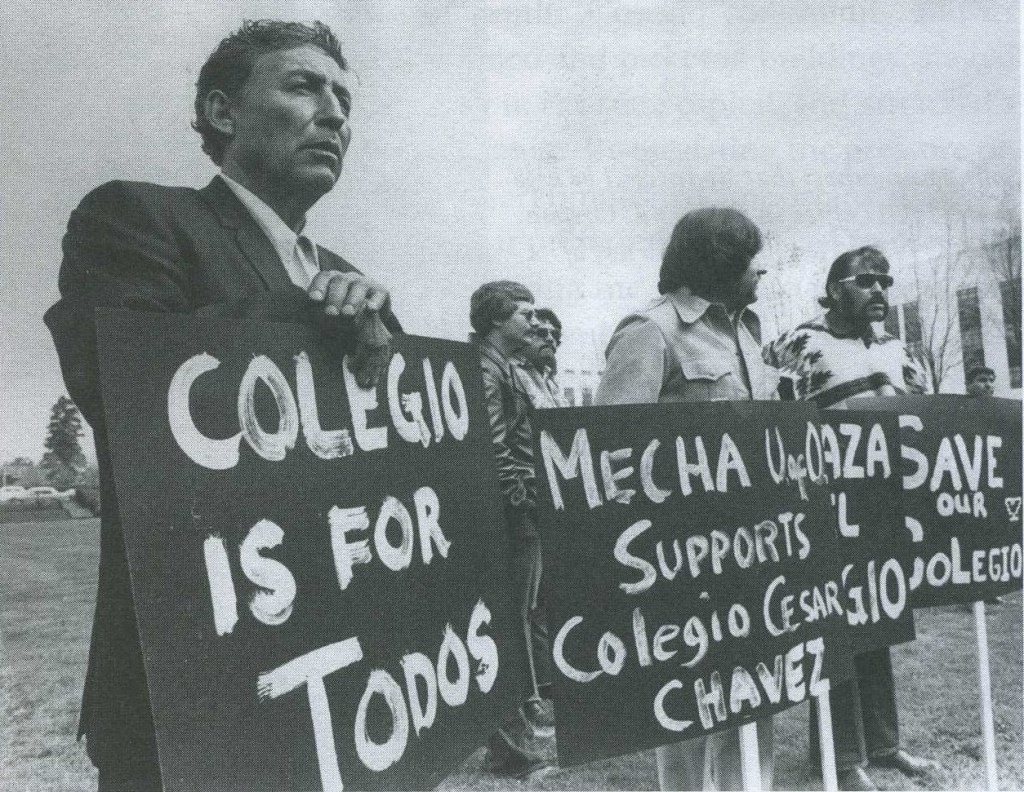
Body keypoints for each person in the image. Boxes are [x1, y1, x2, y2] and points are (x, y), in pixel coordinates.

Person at [44, 20, 401, 791]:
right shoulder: (135, 219)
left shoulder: (350, 279)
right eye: (304, 86)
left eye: (344, 97)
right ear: (222, 111)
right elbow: (127, 381)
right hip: (193, 687)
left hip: (335, 672)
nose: (336, 113)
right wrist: (313, 318)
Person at [596, 207, 777, 791]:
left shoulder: (747, 333)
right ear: (720, 260)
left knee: (757, 694)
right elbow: (610, 456)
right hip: (683, 562)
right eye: (751, 258)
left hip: (759, 550)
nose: (761, 271)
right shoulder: (649, 331)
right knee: (689, 709)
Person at [764, 246, 934, 791]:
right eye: (865, 281)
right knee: (835, 628)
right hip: (825, 505)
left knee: (880, 620)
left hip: (883, 505)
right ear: (835, 288)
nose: (879, 291)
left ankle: (885, 743)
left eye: (885, 281)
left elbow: (923, 420)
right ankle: (839, 756)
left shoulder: (898, 348)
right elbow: (770, 417)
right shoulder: (798, 344)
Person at [470, 281, 554, 779]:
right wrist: (519, 500)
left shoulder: (501, 367)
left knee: (517, 618)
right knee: (510, 622)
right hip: (510, 510)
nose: (534, 321)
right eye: (525, 314)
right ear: (498, 321)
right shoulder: (485, 367)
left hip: (519, 504)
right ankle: (510, 748)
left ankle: (515, 735)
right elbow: (492, 442)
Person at [514, 307, 569, 409]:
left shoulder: (550, 380)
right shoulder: (512, 373)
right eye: (542, 333)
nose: (551, 339)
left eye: (555, 335)